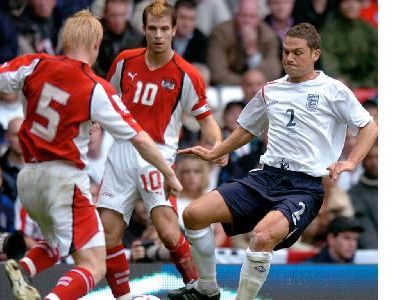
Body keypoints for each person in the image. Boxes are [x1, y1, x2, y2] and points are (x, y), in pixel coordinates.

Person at [0, 10, 182, 300]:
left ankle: (22, 269)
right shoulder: (95, 87)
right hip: (64, 179)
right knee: (94, 264)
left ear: (64, 39)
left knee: (57, 243)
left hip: (29, 178)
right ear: (97, 46)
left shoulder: (35, 63)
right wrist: (169, 172)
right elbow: (139, 137)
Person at [168, 22, 378, 299]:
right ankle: (206, 288)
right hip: (264, 176)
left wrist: (351, 161)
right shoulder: (271, 90)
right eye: (286, 51)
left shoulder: (333, 90)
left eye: (297, 52)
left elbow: (369, 126)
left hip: (304, 187)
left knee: (262, 237)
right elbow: (247, 128)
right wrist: (217, 151)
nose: (289, 58)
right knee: (193, 215)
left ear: (315, 54)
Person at [96, 1, 226, 299]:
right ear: (143, 29)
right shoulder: (125, 61)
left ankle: (198, 286)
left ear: (174, 30)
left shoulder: (186, 74)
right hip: (120, 153)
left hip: (157, 157)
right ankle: (124, 296)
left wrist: (218, 144)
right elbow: (104, 97)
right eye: (152, 28)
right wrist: (92, 121)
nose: (158, 35)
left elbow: (207, 121)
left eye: (164, 29)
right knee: (108, 233)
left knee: (168, 231)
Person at [207, 0, 282, 85]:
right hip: (227, 88)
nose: (247, 21)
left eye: (252, 17)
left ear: (259, 19)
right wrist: (248, 83)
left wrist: (252, 51)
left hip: (259, 89)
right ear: (235, 17)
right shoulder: (221, 33)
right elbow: (217, 74)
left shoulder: (269, 36)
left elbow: (273, 74)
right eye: (243, 16)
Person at [320, 0, 378, 88]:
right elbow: (329, 61)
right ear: (339, 6)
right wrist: (337, 78)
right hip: (343, 83)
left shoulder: (368, 29)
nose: (351, 5)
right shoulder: (329, 32)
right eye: (346, 1)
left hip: (369, 81)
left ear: (361, 5)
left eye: (355, 1)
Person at [94, 0, 144, 77]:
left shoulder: (137, 39)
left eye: (121, 15)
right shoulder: (96, 35)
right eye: (113, 15)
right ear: (105, 14)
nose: (118, 20)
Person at [349, 141, 378, 249]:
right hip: (370, 256)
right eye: (370, 158)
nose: (374, 162)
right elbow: (364, 231)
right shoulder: (353, 194)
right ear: (363, 161)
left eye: (377, 157)